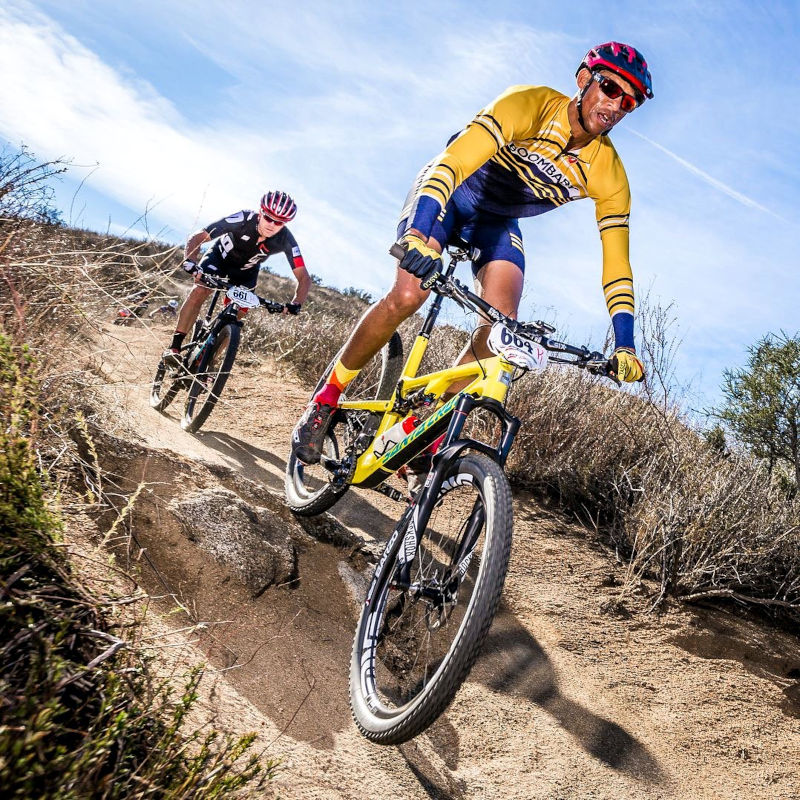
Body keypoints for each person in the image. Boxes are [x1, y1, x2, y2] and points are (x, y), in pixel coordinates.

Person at [293, 42, 652, 466]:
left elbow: (617, 264)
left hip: (494, 223)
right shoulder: (530, 104)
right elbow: (452, 163)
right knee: (408, 295)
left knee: (502, 331)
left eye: (629, 102)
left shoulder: (609, 174)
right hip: (448, 195)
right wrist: (416, 235)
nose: (616, 105)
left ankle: (419, 427)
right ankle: (326, 398)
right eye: (610, 88)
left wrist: (625, 345)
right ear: (583, 79)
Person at [162, 191, 311, 367]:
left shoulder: (286, 239)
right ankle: (175, 348)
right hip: (219, 258)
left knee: (239, 313)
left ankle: (210, 360)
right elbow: (199, 236)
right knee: (200, 290)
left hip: (246, 272)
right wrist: (191, 261)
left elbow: (304, 277)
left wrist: (296, 303)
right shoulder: (243, 219)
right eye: (268, 218)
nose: (272, 225)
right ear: (260, 212)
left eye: (279, 222)